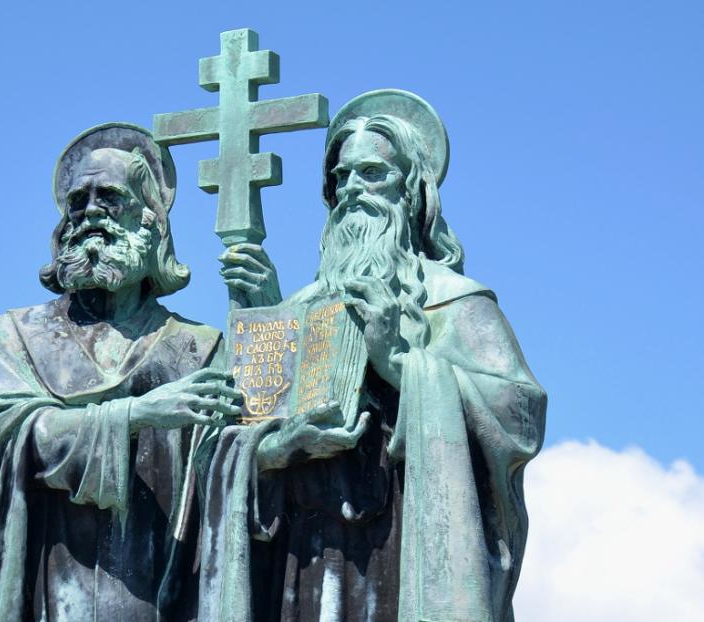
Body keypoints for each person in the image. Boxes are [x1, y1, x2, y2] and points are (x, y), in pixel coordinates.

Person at [210, 90, 547, 621]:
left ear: (410, 191)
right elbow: (225, 444)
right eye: (340, 178)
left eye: (371, 174)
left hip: (404, 552)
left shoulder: (456, 301)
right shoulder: (299, 308)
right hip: (301, 565)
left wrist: (400, 363)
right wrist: (278, 442)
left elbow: (517, 417)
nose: (351, 190)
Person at [0, 123, 241, 622]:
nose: (89, 213)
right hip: (50, 594)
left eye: (109, 196)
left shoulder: (199, 349)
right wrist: (137, 414)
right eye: (77, 201)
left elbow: (231, 478)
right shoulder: (15, 336)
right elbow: (10, 443)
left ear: (150, 219)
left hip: (162, 597)